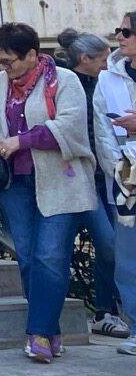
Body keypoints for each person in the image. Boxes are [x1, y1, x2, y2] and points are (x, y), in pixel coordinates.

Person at [0, 22, 94, 363]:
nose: (4, 69)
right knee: (27, 255)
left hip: (60, 182)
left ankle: (38, 334)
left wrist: (21, 140)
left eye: (9, 62)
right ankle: (49, 329)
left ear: (33, 55)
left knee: (51, 255)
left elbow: (70, 127)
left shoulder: (64, 81)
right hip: (14, 185)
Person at [62, 30, 135, 339]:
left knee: (111, 246)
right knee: (108, 245)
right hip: (82, 177)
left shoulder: (108, 81)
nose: (108, 62)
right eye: (102, 58)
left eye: (126, 32)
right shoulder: (68, 84)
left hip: (110, 175)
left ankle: (105, 310)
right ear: (85, 59)